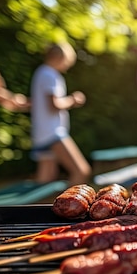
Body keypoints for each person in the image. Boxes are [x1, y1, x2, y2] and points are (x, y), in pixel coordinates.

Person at [30, 42, 91, 186]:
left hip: (41, 133)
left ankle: (36, 208)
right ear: (60, 57)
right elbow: (54, 104)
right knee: (81, 171)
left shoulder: (40, 72)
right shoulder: (50, 74)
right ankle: (72, 206)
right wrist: (73, 100)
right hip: (53, 133)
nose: (68, 66)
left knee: (44, 183)